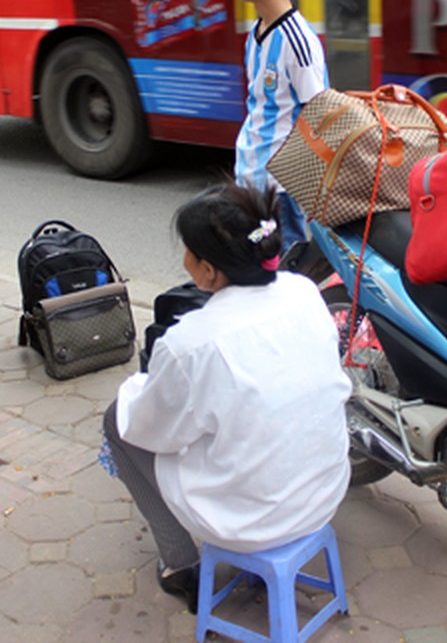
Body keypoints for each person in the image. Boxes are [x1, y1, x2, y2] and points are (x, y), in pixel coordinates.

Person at [103, 183, 352, 611]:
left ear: (207, 272)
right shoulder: (302, 291)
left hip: (253, 520)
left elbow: (151, 430)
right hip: (324, 494)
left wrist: (138, 388)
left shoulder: (191, 343)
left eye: (188, 252)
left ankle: (179, 565)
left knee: (116, 422)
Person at [217, 0, 328, 250]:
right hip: (250, 181)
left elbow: (321, 118)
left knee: (284, 275)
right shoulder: (257, 32)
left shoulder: (299, 43)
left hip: (281, 191)